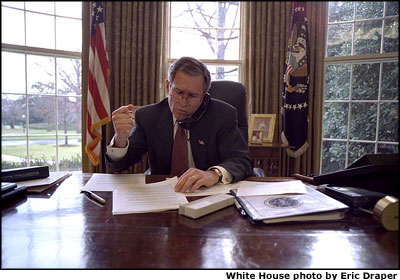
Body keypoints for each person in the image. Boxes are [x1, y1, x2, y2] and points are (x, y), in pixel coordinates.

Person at [106, 56, 253, 193]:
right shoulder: (148, 117)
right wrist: (120, 139)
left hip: (208, 196)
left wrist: (213, 174)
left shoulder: (222, 115)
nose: (183, 102)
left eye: (193, 96)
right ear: (168, 87)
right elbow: (119, 165)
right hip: (163, 197)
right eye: (179, 92)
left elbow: (242, 160)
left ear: (204, 95)